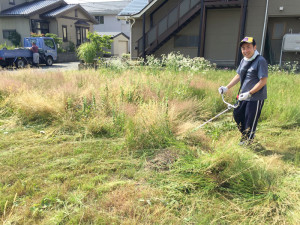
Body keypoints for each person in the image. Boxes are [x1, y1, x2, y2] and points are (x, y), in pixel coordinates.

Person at [218, 37, 268, 145]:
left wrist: (249, 93)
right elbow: (239, 75)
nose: (245, 51)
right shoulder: (244, 60)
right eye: (243, 48)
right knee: (237, 114)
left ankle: (248, 141)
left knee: (250, 120)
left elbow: (263, 81)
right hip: (243, 96)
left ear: (255, 47)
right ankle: (245, 135)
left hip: (255, 97)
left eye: (248, 47)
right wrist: (226, 88)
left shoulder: (260, 61)